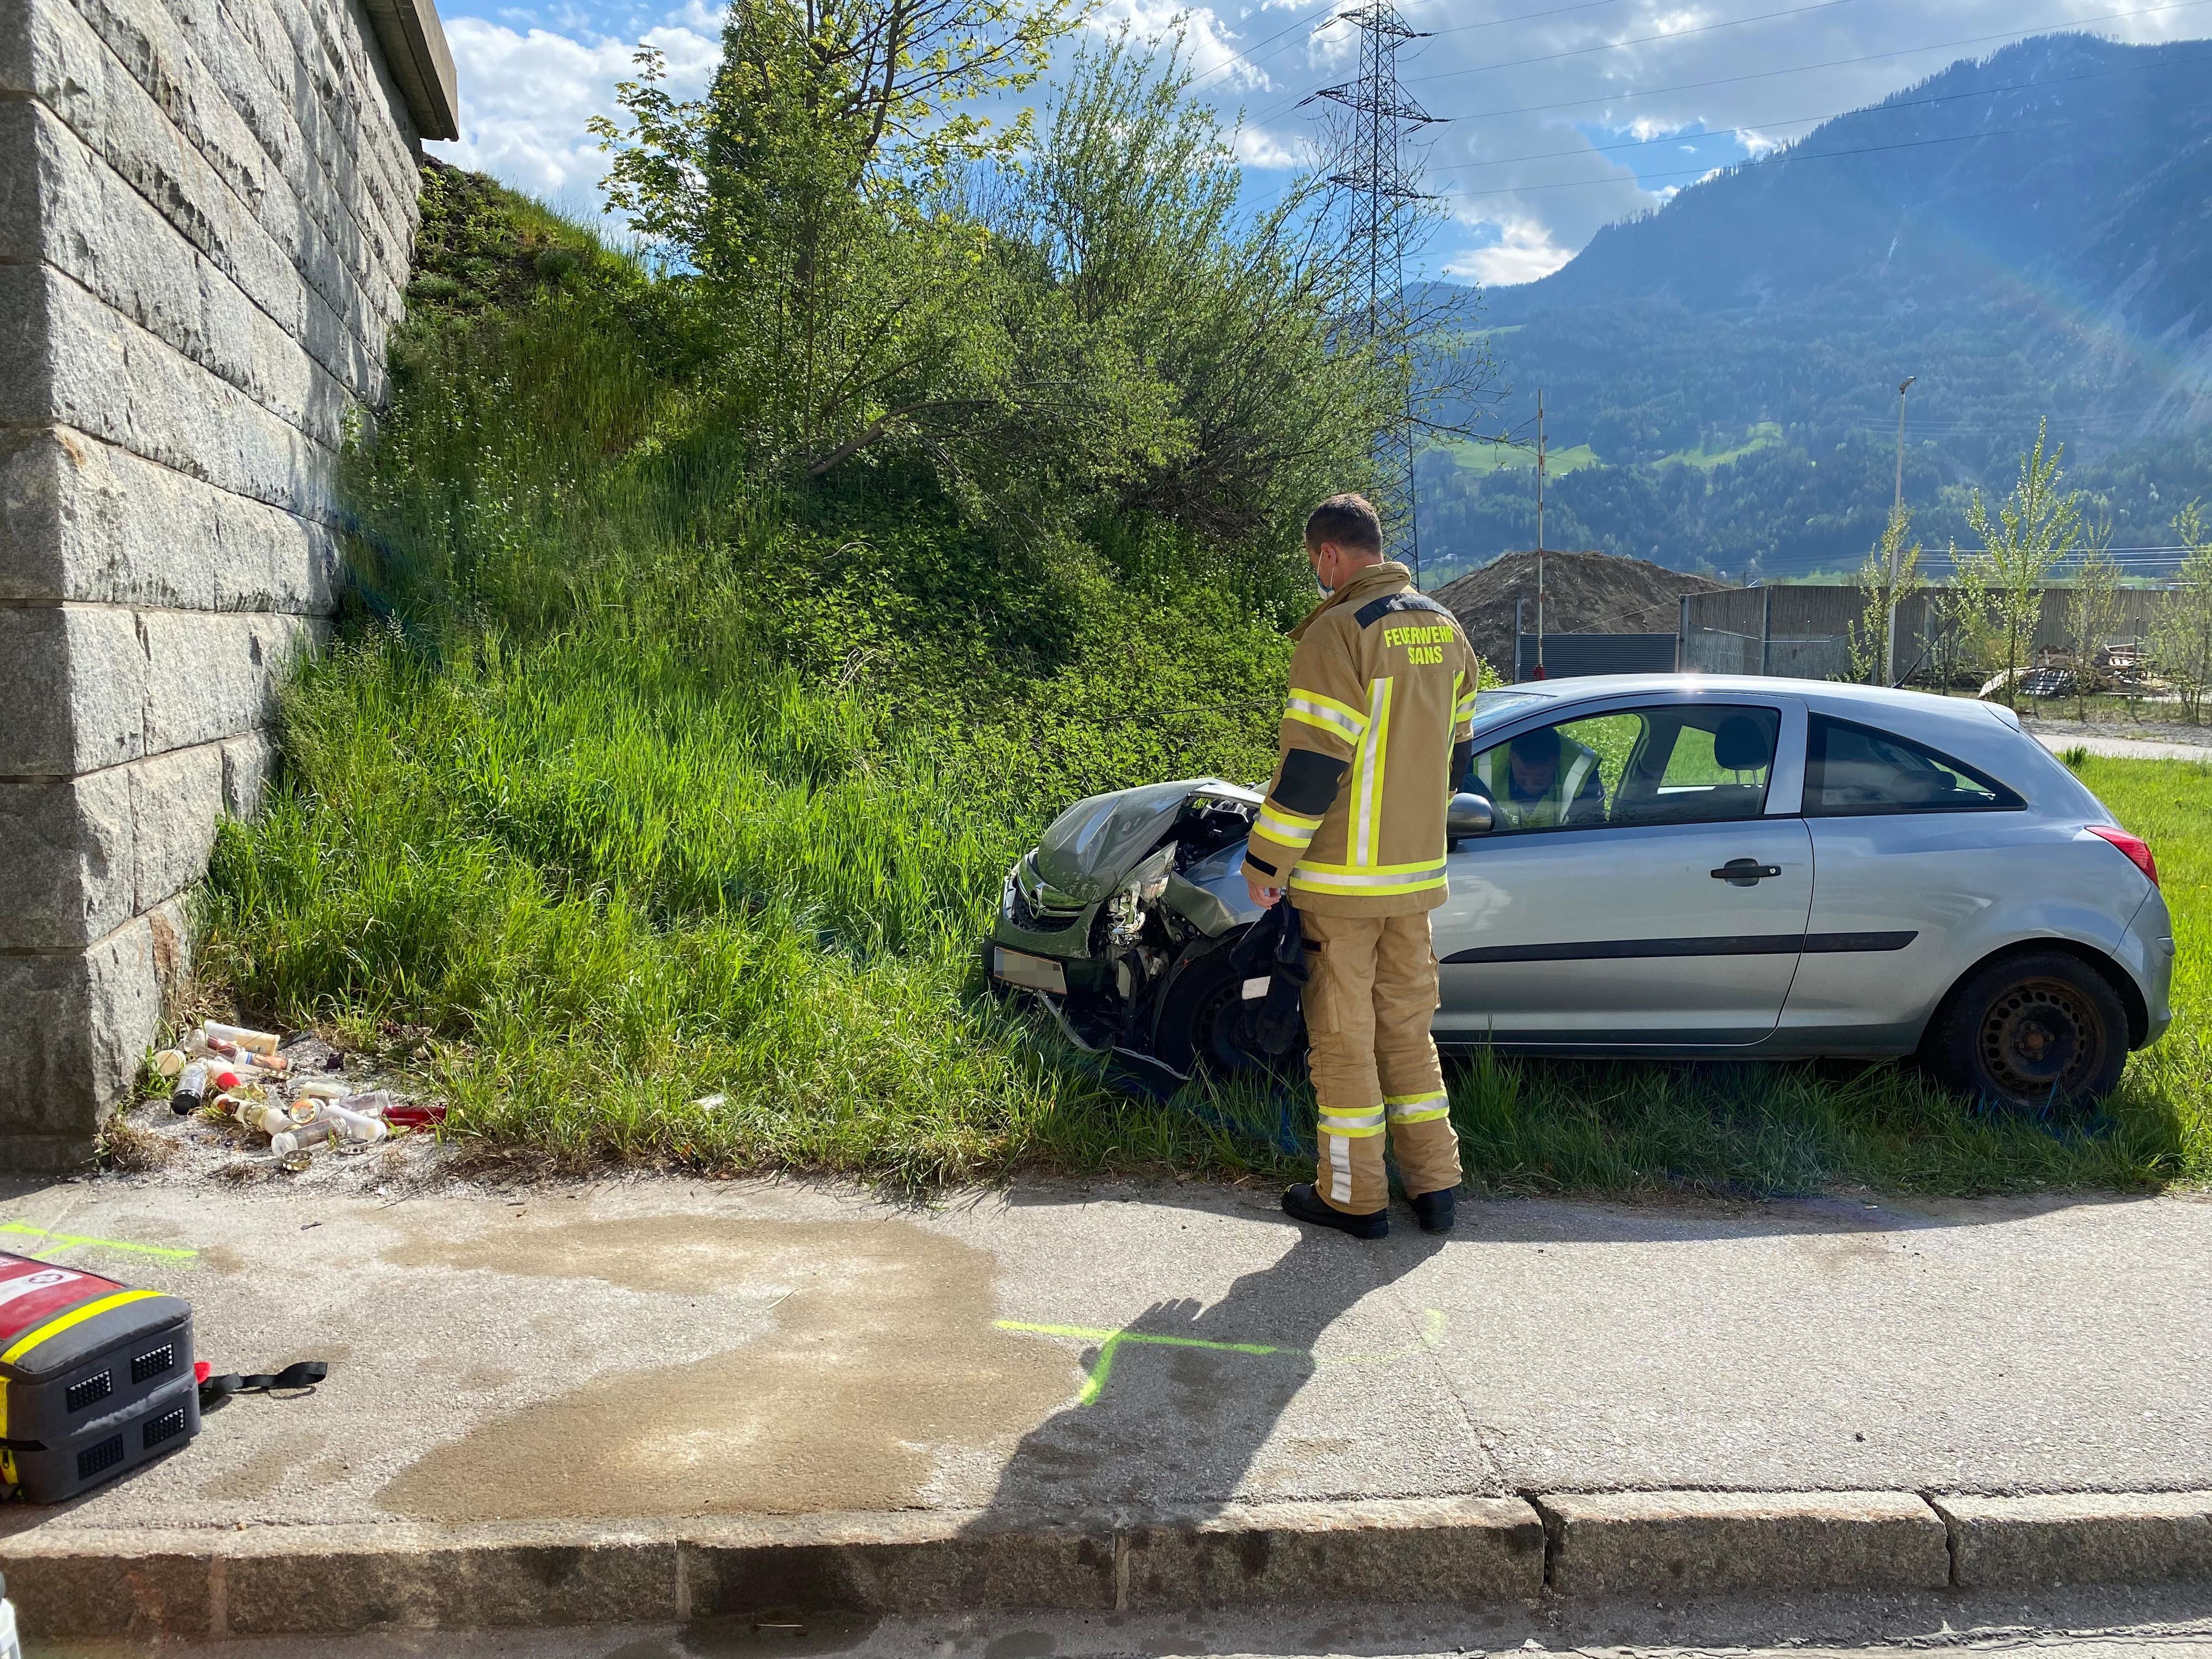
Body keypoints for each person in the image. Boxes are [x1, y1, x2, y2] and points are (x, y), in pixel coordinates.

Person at [1241, 493, 1483, 1240]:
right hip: (1415, 882)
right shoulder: (1446, 630)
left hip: (1343, 885)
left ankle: (1354, 1198)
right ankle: (1436, 1188)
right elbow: (1458, 758)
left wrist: (1266, 860)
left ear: (1328, 556)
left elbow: (1314, 765)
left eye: (1315, 562)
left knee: (1343, 1043)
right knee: (1408, 1034)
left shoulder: (1339, 631)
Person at [1470, 727, 1606, 830]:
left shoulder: (1580, 770)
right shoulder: (1482, 756)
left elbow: (1589, 828)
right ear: (1511, 757)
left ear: (1556, 762)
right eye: (1523, 776)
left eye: (1540, 777)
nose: (1530, 783)